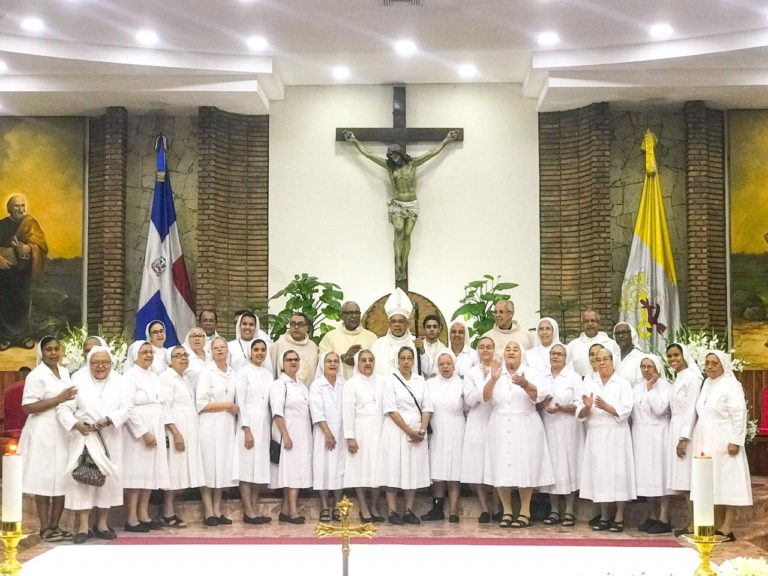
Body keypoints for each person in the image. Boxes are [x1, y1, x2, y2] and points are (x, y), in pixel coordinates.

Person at [342, 129, 459, 282]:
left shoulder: (413, 163)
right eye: (391, 157)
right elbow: (369, 155)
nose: (394, 159)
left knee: (407, 234)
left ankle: (403, 262)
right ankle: (398, 263)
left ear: (401, 154)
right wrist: (355, 141)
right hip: (397, 203)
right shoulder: (390, 167)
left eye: (396, 155)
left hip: (412, 204)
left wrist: (446, 140)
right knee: (398, 230)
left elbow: (431, 153)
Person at [57, 346, 131, 544]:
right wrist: (76, 424)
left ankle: (102, 525)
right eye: (95, 363)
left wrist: (109, 419)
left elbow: (127, 407)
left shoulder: (121, 381)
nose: (100, 366)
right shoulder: (77, 381)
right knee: (84, 481)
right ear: (88, 363)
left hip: (111, 436)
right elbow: (64, 408)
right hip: (85, 437)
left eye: (105, 362)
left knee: (106, 482)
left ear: (111, 363)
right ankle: (83, 526)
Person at [483, 341, 554, 528]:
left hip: (525, 424)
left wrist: (525, 384)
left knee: (525, 466)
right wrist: (492, 379)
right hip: (499, 424)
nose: (511, 352)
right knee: (500, 466)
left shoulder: (532, 372)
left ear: (522, 354)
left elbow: (540, 396)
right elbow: (484, 397)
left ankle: (524, 510)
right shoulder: (496, 372)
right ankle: (506, 510)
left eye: (515, 349)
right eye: (508, 349)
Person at [690, 351, 752, 541]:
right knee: (711, 482)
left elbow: (739, 414)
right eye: (707, 363)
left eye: (714, 363)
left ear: (723, 365)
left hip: (725, 440)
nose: (709, 367)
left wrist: (736, 441)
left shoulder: (731, 385)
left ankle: (727, 527)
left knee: (728, 483)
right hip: (705, 438)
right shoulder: (707, 383)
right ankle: (714, 523)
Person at [19, 337, 76, 541]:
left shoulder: (65, 372)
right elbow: (27, 407)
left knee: (61, 479)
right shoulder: (36, 376)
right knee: (42, 481)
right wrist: (57, 400)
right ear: (41, 353)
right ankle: (44, 528)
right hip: (42, 430)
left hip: (62, 429)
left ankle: (56, 525)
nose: (53, 353)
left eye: (56, 349)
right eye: (48, 350)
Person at [576, 348, 635, 533]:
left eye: (605, 359)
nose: (601, 363)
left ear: (612, 361)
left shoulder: (623, 383)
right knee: (600, 475)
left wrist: (607, 407)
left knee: (619, 474)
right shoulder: (589, 382)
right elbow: (580, 411)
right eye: (597, 359)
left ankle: (619, 516)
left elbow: (627, 409)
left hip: (616, 434)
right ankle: (604, 515)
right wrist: (586, 407)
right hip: (596, 434)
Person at [377, 347, 432, 525]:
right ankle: (392, 511)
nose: (406, 361)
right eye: (403, 358)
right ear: (397, 361)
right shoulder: (391, 380)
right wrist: (409, 431)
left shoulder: (420, 380)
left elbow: (426, 407)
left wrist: (422, 430)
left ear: (413, 361)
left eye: (409, 358)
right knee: (393, 468)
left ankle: (409, 510)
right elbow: (391, 410)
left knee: (412, 469)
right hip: (396, 430)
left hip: (417, 430)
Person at [122, 341, 171, 532]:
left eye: (151, 352)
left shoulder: (154, 376)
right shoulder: (130, 377)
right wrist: (143, 432)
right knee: (137, 473)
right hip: (138, 433)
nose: (148, 355)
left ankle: (144, 514)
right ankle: (131, 518)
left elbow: (161, 403)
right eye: (144, 352)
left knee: (150, 473)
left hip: (155, 426)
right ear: (135, 355)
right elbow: (128, 408)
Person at [539, 343, 584, 528]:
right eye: (553, 354)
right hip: (547, 427)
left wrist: (562, 408)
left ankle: (570, 511)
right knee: (552, 467)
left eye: (560, 354)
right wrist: (542, 403)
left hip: (567, 427)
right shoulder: (542, 376)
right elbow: (533, 400)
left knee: (567, 466)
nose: (556, 357)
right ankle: (554, 510)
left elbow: (581, 403)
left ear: (566, 358)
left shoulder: (573, 378)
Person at [159, 345, 204, 528]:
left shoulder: (184, 378)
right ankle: (167, 512)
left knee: (181, 472)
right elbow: (165, 407)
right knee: (173, 471)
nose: (183, 358)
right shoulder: (166, 378)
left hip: (189, 427)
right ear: (170, 359)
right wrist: (176, 433)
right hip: (176, 428)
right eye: (178, 356)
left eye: (185, 355)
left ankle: (171, 510)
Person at [196, 336, 239, 527]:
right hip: (210, 425)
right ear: (211, 352)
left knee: (222, 467)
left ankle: (218, 509)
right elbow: (201, 403)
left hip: (227, 426)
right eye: (216, 348)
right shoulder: (207, 373)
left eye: (223, 347)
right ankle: (208, 511)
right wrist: (227, 405)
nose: (220, 351)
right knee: (208, 467)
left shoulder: (232, 373)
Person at [460, 336, 500, 523]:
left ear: (494, 349)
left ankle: (499, 507)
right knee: (477, 466)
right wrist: (486, 388)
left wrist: (484, 390)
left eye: (489, 347)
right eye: (482, 347)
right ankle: (484, 508)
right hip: (476, 420)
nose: (485, 350)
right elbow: (469, 399)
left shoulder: (502, 371)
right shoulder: (470, 373)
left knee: (496, 464)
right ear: (477, 350)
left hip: (495, 418)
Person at [270, 350, 313, 524]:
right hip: (288, 434)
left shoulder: (301, 386)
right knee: (291, 473)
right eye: (289, 360)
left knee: (296, 471)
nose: (293, 362)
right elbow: (277, 413)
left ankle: (286, 509)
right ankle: (293, 512)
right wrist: (285, 435)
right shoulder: (279, 384)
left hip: (303, 435)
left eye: (296, 359)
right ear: (283, 363)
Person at [422, 352, 465, 523]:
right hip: (437, 427)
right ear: (437, 367)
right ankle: (437, 508)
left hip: (457, 427)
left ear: (454, 365)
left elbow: (468, 406)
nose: (445, 367)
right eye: (442, 364)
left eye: (448, 364)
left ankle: (453, 510)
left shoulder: (462, 383)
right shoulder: (429, 384)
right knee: (437, 468)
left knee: (454, 468)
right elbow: (425, 406)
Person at [0, 195, 47, 351]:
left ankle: (22, 337)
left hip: (23, 272)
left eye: (22, 205)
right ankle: (5, 338)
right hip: (5, 272)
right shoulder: (2, 225)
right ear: (9, 208)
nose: (20, 209)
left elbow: (41, 245)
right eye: (16, 206)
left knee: (23, 301)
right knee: (5, 303)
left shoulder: (30, 224)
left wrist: (28, 248)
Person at [632, 354, 673, 534]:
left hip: (659, 435)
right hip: (641, 435)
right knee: (646, 477)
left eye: (650, 367)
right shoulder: (637, 387)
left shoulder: (665, 387)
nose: (646, 370)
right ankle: (652, 515)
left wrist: (651, 389)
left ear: (657, 368)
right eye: (643, 367)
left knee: (660, 475)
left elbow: (660, 409)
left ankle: (664, 516)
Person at [665, 342, 703, 537]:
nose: (673, 359)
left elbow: (691, 410)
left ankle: (695, 524)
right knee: (683, 482)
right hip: (675, 427)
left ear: (684, 355)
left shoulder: (692, 378)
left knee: (689, 480)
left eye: (676, 355)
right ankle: (691, 523)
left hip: (686, 431)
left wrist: (683, 438)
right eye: (670, 356)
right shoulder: (677, 377)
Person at [342, 350, 385, 522]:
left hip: (380, 429)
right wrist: (350, 437)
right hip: (360, 430)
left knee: (378, 470)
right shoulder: (351, 384)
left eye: (371, 360)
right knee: (359, 470)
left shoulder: (383, 381)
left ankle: (374, 505)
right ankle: (363, 507)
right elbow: (347, 412)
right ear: (358, 363)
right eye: (364, 360)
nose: (367, 363)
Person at [235, 339, 273, 525]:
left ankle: (255, 508)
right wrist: (247, 429)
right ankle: (248, 511)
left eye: (262, 350)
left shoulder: (268, 374)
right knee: (247, 467)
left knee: (259, 468)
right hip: (248, 423)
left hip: (264, 423)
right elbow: (240, 402)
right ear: (251, 352)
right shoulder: (242, 373)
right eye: (256, 349)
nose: (259, 353)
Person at [310, 352, 345, 521]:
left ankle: (338, 505)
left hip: (342, 434)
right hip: (323, 433)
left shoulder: (345, 384)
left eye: (335, 361)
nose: (332, 364)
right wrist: (327, 432)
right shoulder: (317, 385)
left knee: (339, 469)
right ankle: (324, 506)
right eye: (329, 361)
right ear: (323, 364)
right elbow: (317, 410)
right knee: (322, 469)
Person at [371, 288, 428, 379]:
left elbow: (427, 370)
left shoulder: (416, 342)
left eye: (401, 321)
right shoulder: (379, 345)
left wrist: (422, 351)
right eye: (394, 321)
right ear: (389, 323)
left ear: (407, 323)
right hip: (385, 391)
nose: (397, 324)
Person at [318, 301, 377, 381]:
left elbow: (377, 363)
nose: (354, 316)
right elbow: (321, 361)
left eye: (357, 313)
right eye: (350, 313)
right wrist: (343, 358)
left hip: (365, 386)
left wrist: (358, 361)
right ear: (342, 316)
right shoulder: (330, 336)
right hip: (337, 386)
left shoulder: (371, 337)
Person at [566, 309, 620, 377]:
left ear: (599, 323)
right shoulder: (572, 346)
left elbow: (618, 368)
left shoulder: (612, 344)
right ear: (582, 324)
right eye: (586, 321)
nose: (590, 324)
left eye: (593, 321)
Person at [271, 312, 319, 386]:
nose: (296, 327)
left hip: (307, 393)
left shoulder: (312, 347)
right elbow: (272, 371)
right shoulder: (279, 344)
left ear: (307, 328)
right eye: (293, 324)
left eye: (300, 324)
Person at [614, 322, 645, 388]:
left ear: (632, 335)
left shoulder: (640, 357)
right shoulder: (613, 357)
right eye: (617, 333)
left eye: (624, 332)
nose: (620, 336)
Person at [421, 314, 447, 379]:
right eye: (428, 327)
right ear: (424, 329)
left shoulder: (444, 349)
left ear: (439, 329)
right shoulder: (418, 347)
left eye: (435, 327)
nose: (432, 329)